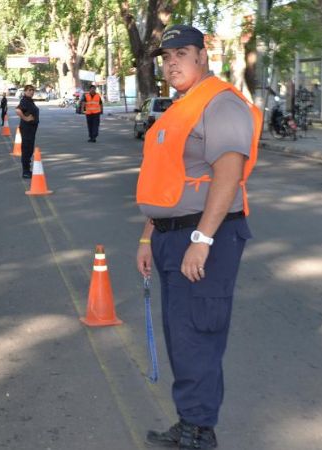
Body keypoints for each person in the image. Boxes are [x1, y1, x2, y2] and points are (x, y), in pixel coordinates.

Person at [135, 24, 261, 450]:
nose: (172, 63)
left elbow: (229, 174)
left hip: (207, 235)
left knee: (197, 335)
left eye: (182, 54)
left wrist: (202, 240)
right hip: (172, 236)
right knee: (181, 335)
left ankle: (198, 433)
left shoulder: (221, 103)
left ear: (203, 56)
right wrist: (146, 237)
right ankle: (191, 422)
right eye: (167, 57)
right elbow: (169, 181)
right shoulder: (180, 107)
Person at [14, 85, 39, 179]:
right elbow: (17, 110)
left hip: (31, 129)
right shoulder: (24, 101)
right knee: (26, 149)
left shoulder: (29, 101)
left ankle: (27, 170)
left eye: (33, 90)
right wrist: (26, 118)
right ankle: (25, 171)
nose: (31, 92)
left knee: (29, 149)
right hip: (27, 129)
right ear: (25, 92)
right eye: (29, 90)